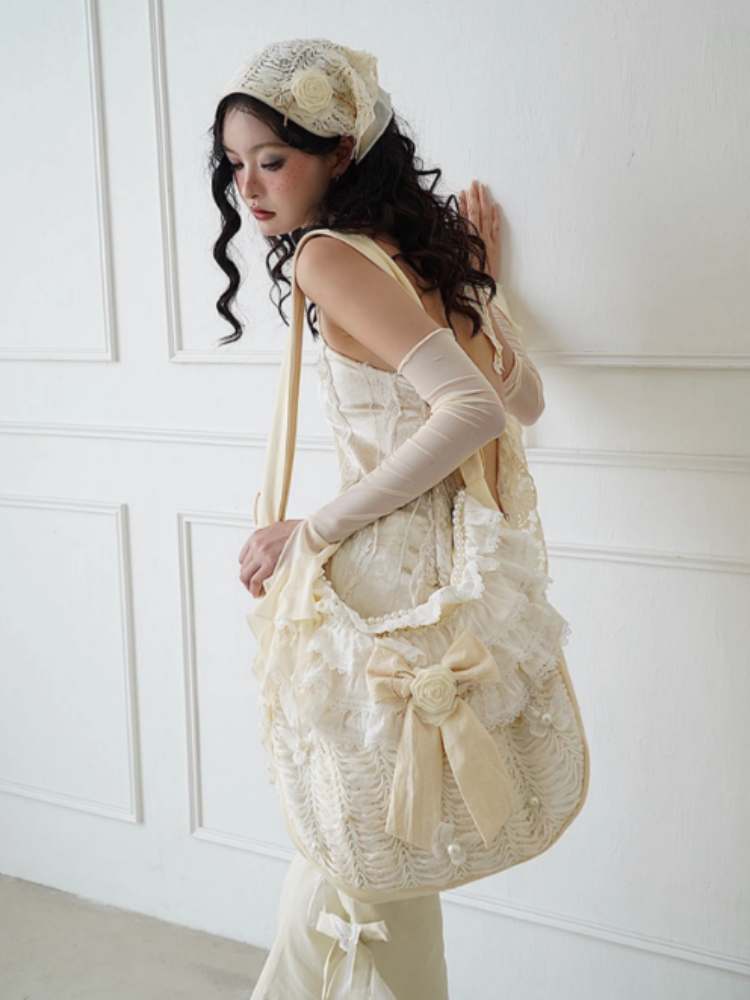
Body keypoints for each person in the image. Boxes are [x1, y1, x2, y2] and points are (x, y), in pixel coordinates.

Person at [208, 37, 549, 1000]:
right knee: (375, 847)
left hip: (381, 586)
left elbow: (481, 412)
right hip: (438, 578)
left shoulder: (328, 256)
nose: (248, 188)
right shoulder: (409, 253)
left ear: (341, 152)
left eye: (272, 160)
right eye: (235, 164)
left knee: (357, 854)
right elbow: (519, 397)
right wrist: (482, 294)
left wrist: (308, 531)